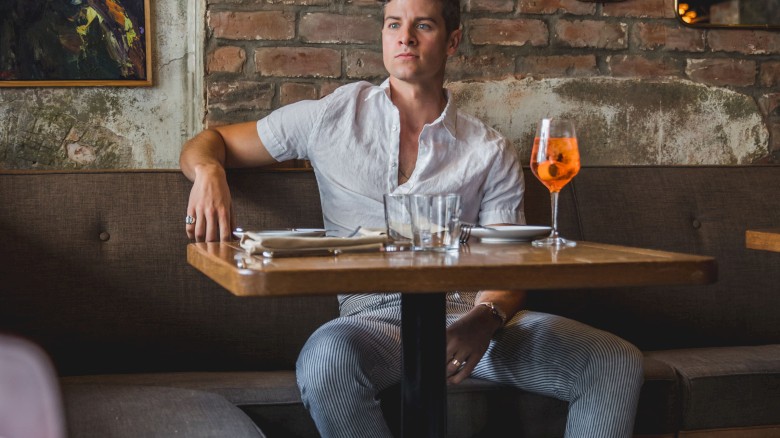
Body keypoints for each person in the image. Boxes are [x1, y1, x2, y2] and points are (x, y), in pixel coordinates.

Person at [180, 0, 644, 435]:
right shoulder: (330, 116)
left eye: (423, 25)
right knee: (325, 361)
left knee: (613, 360)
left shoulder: (488, 149)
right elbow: (209, 141)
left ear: (452, 41)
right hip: (371, 321)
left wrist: (484, 320)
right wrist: (208, 171)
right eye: (393, 24)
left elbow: (512, 257)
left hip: (469, 320)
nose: (406, 38)